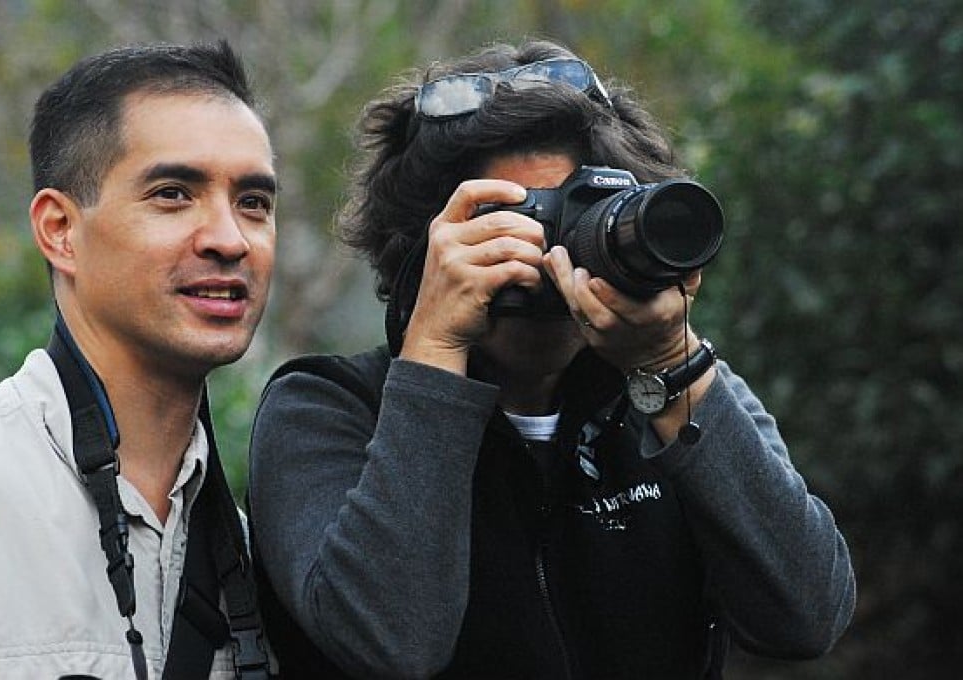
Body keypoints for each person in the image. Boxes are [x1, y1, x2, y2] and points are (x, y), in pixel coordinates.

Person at [248, 39, 856, 679]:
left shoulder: (674, 394)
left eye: (583, 213)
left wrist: (670, 369)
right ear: (427, 246)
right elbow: (390, 643)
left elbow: (808, 617)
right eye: (515, 217)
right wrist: (435, 350)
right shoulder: (325, 409)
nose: (551, 252)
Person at [0, 41, 276, 679]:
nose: (230, 239)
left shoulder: (250, 555)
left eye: (253, 202)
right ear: (60, 230)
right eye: (173, 194)